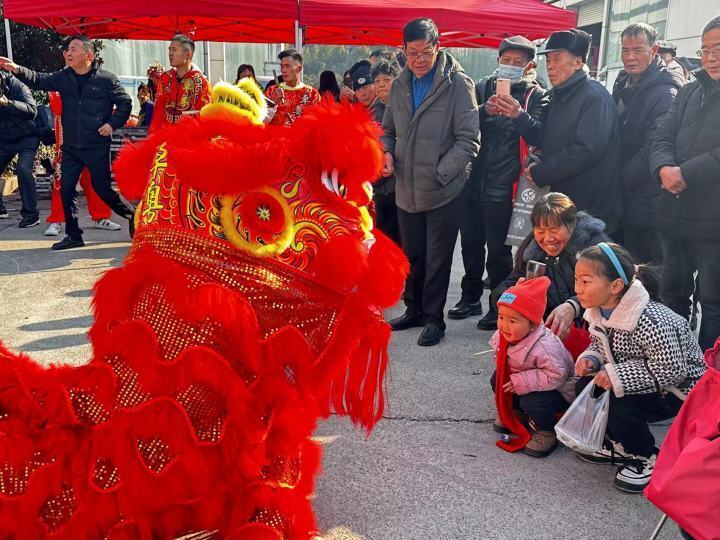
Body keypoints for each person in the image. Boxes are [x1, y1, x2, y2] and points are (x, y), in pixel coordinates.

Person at [572, 243, 706, 493]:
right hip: (644, 381)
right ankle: (620, 444)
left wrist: (616, 375)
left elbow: (673, 369)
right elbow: (599, 344)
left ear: (615, 286)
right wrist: (592, 359)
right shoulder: (601, 310)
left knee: (617, 399)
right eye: (577, 279)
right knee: (586, 386)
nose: (577, 288)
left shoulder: (651, 320)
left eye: (586, 281)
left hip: (679, 392)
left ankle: (646, 456)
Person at [382, 17, 480, 346]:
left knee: (439, 258)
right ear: (403, 52)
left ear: (438, 48)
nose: (420, 60)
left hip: (442, 189)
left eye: (426, 52)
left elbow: (469, 139)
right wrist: (385, 154)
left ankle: (434, 319)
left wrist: (441, 172)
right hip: (406, 188)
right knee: (411, 255)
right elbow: (387, 131)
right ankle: (414, 309)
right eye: (413, 53)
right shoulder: (399, 85)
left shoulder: (457, 85)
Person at [449, 35, 549, 328]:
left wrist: (518, 115)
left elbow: (540, 135)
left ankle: (498, 304)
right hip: (473, 179)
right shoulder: (481, 88)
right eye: (506, 61)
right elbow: (463, 124)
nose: (510, 67)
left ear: (529, 66)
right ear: (498, 60)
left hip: (506, 184)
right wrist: (483, 111)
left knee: (499, 252)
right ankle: (469, 299)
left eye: (518, 63)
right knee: (469, 244)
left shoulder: (536, 95)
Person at [0, 35, 135, 250]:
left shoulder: (107, 80)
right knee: (66, 189)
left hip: (96, 146)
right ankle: (74, 235)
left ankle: (132, 215)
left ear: (88, 56)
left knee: (102, 189)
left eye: (73, 49)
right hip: (71, 147)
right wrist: (16, 69)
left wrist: (111, 124)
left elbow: (125, 104)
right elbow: (39, 79)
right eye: (68, 49)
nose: (68, 53)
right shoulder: (64, 77)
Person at [648, 16, 720, 352]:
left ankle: (708, 378)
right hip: (673, 215)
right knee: (672, 294)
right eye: (705, 49)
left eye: (718, 49)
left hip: (712, 221)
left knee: (714, 302)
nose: (711, 56)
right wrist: (663, 166)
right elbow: (662, 133)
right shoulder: (690, 90)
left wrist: (685, 173)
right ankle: (673, 364)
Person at [525, 29, 622, 233]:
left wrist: (543, 172)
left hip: (590, 209)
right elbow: (549, 137)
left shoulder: (595, 97)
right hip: (564, 202)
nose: (550, 66)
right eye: (548, 60)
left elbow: (587, 150)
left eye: (557, 59)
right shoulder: (557, 96)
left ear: (578, 63)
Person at [611, 23, 684, 264]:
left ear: (654, 50)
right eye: (625, 50)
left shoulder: (665, 92)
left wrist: (617, 180)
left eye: (638, 50)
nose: (630, 57)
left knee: (647, 275)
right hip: (625, 195)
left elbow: (654, 148)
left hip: (649, 197)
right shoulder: (624, 81)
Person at [495, 193, 609, 338]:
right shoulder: (532, 250)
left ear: (572, 224)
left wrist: (573, 306)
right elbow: (506, 287)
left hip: (595, 332)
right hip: (550, 334)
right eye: (541, 231)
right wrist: (512, 295)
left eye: (554, 230)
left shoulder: (594, 248)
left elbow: (607, 288)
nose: (548, 238)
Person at [490, 276, 576, 457]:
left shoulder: (545, 346)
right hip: (527, 380)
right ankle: (517, 413)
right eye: (501, 317)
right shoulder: (507, 335)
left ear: (532, 324)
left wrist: (521, 381)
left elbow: (557, 375)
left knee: (532, 400)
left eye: (512, 321)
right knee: (497, 378)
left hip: (559, 390)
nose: (504, 326)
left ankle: (546, 430)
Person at [43, 91, 122, 236]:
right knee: (61, 182)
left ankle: (101, 217)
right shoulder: (62, 84)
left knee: (95, 180)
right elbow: (59, 117)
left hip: (91, 143)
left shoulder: (98, 83)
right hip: (69, 146)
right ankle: (57, 220)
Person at [0, 69, 40, 227]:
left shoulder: (17, 86)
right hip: (4, 138)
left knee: (23, 169)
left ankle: (31, 215)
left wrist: (6, 103)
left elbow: (32, 111)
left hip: (27, 136)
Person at [370, 60, 402, 245]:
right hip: (380, 185)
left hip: (401, 182)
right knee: (383, 235)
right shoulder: (373, 111)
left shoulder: (405, 108)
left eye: (387, 79)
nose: (381, 84)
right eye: (377, 80)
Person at [151, 34, 211, 131]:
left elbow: (204, 116)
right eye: (169, 49)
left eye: (174, 50)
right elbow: (158, 111)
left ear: (188, 55)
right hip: (165, 138)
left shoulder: (201, 82)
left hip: (189, 140)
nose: (170, 53)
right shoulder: (165, 78)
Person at [264, 49, 320, 127]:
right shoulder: (272, 91)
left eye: (287, 66)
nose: (283, 70)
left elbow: (318, 123)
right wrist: (273, 103)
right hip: (275, 138)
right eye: (282, 66)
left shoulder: (312, 94)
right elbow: (260, 121)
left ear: (299, 68)